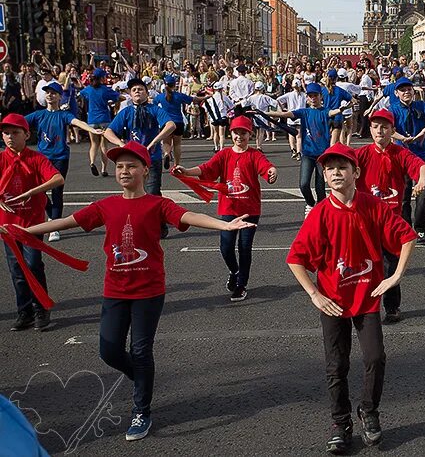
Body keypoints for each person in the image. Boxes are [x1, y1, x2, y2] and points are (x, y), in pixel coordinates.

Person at [13, 141, 256, 441]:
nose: (124, 171)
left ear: (144, 169)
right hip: (115, 291)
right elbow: (66, 222)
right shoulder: (106, 205)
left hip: (149, 291)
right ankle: (142, 377)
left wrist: (225, 226)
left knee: (141, 351)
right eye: (119, 166)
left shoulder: (157, 204)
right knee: (109, 350)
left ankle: (142, 410)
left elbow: (188, 216)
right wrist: (21, 231)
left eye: (131, 165)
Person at [286, 143, 417, 453]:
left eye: (342, 166)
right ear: (324, 175)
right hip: (332, 300)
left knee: (375, 357)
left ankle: (369, 411)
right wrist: (314, 294)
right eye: (329, 168)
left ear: (356, 172)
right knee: (337, 365)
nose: (335, 171)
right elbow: (295, 258)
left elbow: (407, 236)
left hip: (368, 297)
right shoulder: (320, 214)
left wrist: (395, 276)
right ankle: (341, 423)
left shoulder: (373, 206)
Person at [171, 116, 277, 301]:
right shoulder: (224, 154)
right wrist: (187, 171)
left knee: (245, 248)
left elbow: (266, 167)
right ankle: (234, 271)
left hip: (250, 209)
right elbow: (206, 169)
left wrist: (272, 172)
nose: (239, 136)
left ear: (249, 134)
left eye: (243, 133)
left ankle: (242, 284)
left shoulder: (255, 154)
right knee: (226, 246)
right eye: (236, 132)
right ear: (231, 134)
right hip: (228, 207)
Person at [353, 109, 425, 324]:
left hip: (390, 223)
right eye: (376, 126)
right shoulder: (362, 154)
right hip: (364, 221)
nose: (380, 130)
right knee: (363, 266)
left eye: (385, 127)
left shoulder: (399, 153)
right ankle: (363, 305)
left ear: (392, 131)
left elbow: (421, 166)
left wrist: (421, 181)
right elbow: (341, 165)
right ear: (370, 130)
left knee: (391, 266)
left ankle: (392, 307)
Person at [0, 113, 65, 331]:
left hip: (32, 223)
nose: (10, 137)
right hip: (8, 225)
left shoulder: (36, 159)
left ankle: (41, 308)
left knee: (33, 265)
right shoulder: (1, 160)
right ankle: (24, 311)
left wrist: (33, 191)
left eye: (15, 133)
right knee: (16, 269)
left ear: (27, 134)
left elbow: (58, 178)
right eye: (6, 133)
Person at [25, 82, 104, 240]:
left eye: (53, 93)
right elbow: (18, 122)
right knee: (38, 190)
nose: (50, 95)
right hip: (42, 159)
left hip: (61, 157)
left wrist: (91, 129)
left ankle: (55, 226)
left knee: (57, 191)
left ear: (60, 96)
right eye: (47, 92)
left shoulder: (63, 115)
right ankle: (53, 218)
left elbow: (77, 122)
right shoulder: (38, 115)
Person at [103, 78, 177, 239]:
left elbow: (171, 125)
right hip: (133, 160)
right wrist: (121, 145)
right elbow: (108, 132)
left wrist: (154, 142)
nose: (137, 91)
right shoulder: (126, 112)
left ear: (147, 92)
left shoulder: (154, 109)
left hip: (152, 157)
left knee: (152, 192)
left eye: (141, 89)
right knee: (134, 194)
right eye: (134, 89)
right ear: (130, 94)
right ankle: (143, 224)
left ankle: (159, 224)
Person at [266, 83, 344, 217]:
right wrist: (263, 112)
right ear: (307, 98)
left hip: (322, 155)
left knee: (320, 188)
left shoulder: (325, 111)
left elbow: (333, 112)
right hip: (307, 154)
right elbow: (284, 114)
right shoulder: (304, 112)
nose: (313, 98)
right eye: (310, 96)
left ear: (321, 97)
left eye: (315, 96)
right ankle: (310, 203)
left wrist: (341, 109)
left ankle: (321, 210)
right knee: (303, 184)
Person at [388, 78, 425, 244]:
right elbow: (388, 129)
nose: (406, 92)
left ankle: (420, 228)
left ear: (413, 91)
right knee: (403, 196)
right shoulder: (393, 109)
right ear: (396, 93)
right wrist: (403, 138)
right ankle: (406, 229)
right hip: (401, 157)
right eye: (402, 89)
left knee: (424, 194)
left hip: (422, 156)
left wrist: (423, 132)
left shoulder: (421, 106)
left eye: (409, 89)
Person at [80, 67, 120, 176]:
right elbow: (117, 97)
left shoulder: (88, 89)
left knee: (93, 144)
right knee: (103, 145)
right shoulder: (105, 89)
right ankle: (104, 169)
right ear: (102, 78)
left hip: (92, 119)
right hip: (104, 118)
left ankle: (92, 162)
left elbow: (81, 94)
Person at [153, 75, 195, 170]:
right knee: (177, 144)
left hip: (166, 122)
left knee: (166, 142)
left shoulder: (160, 97)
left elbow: (153, 104)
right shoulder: (179, 96)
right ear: (174, 85)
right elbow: (192, 100)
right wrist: (205, 97)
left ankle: (167, 153)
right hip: (178, 122)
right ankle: (176, 164)